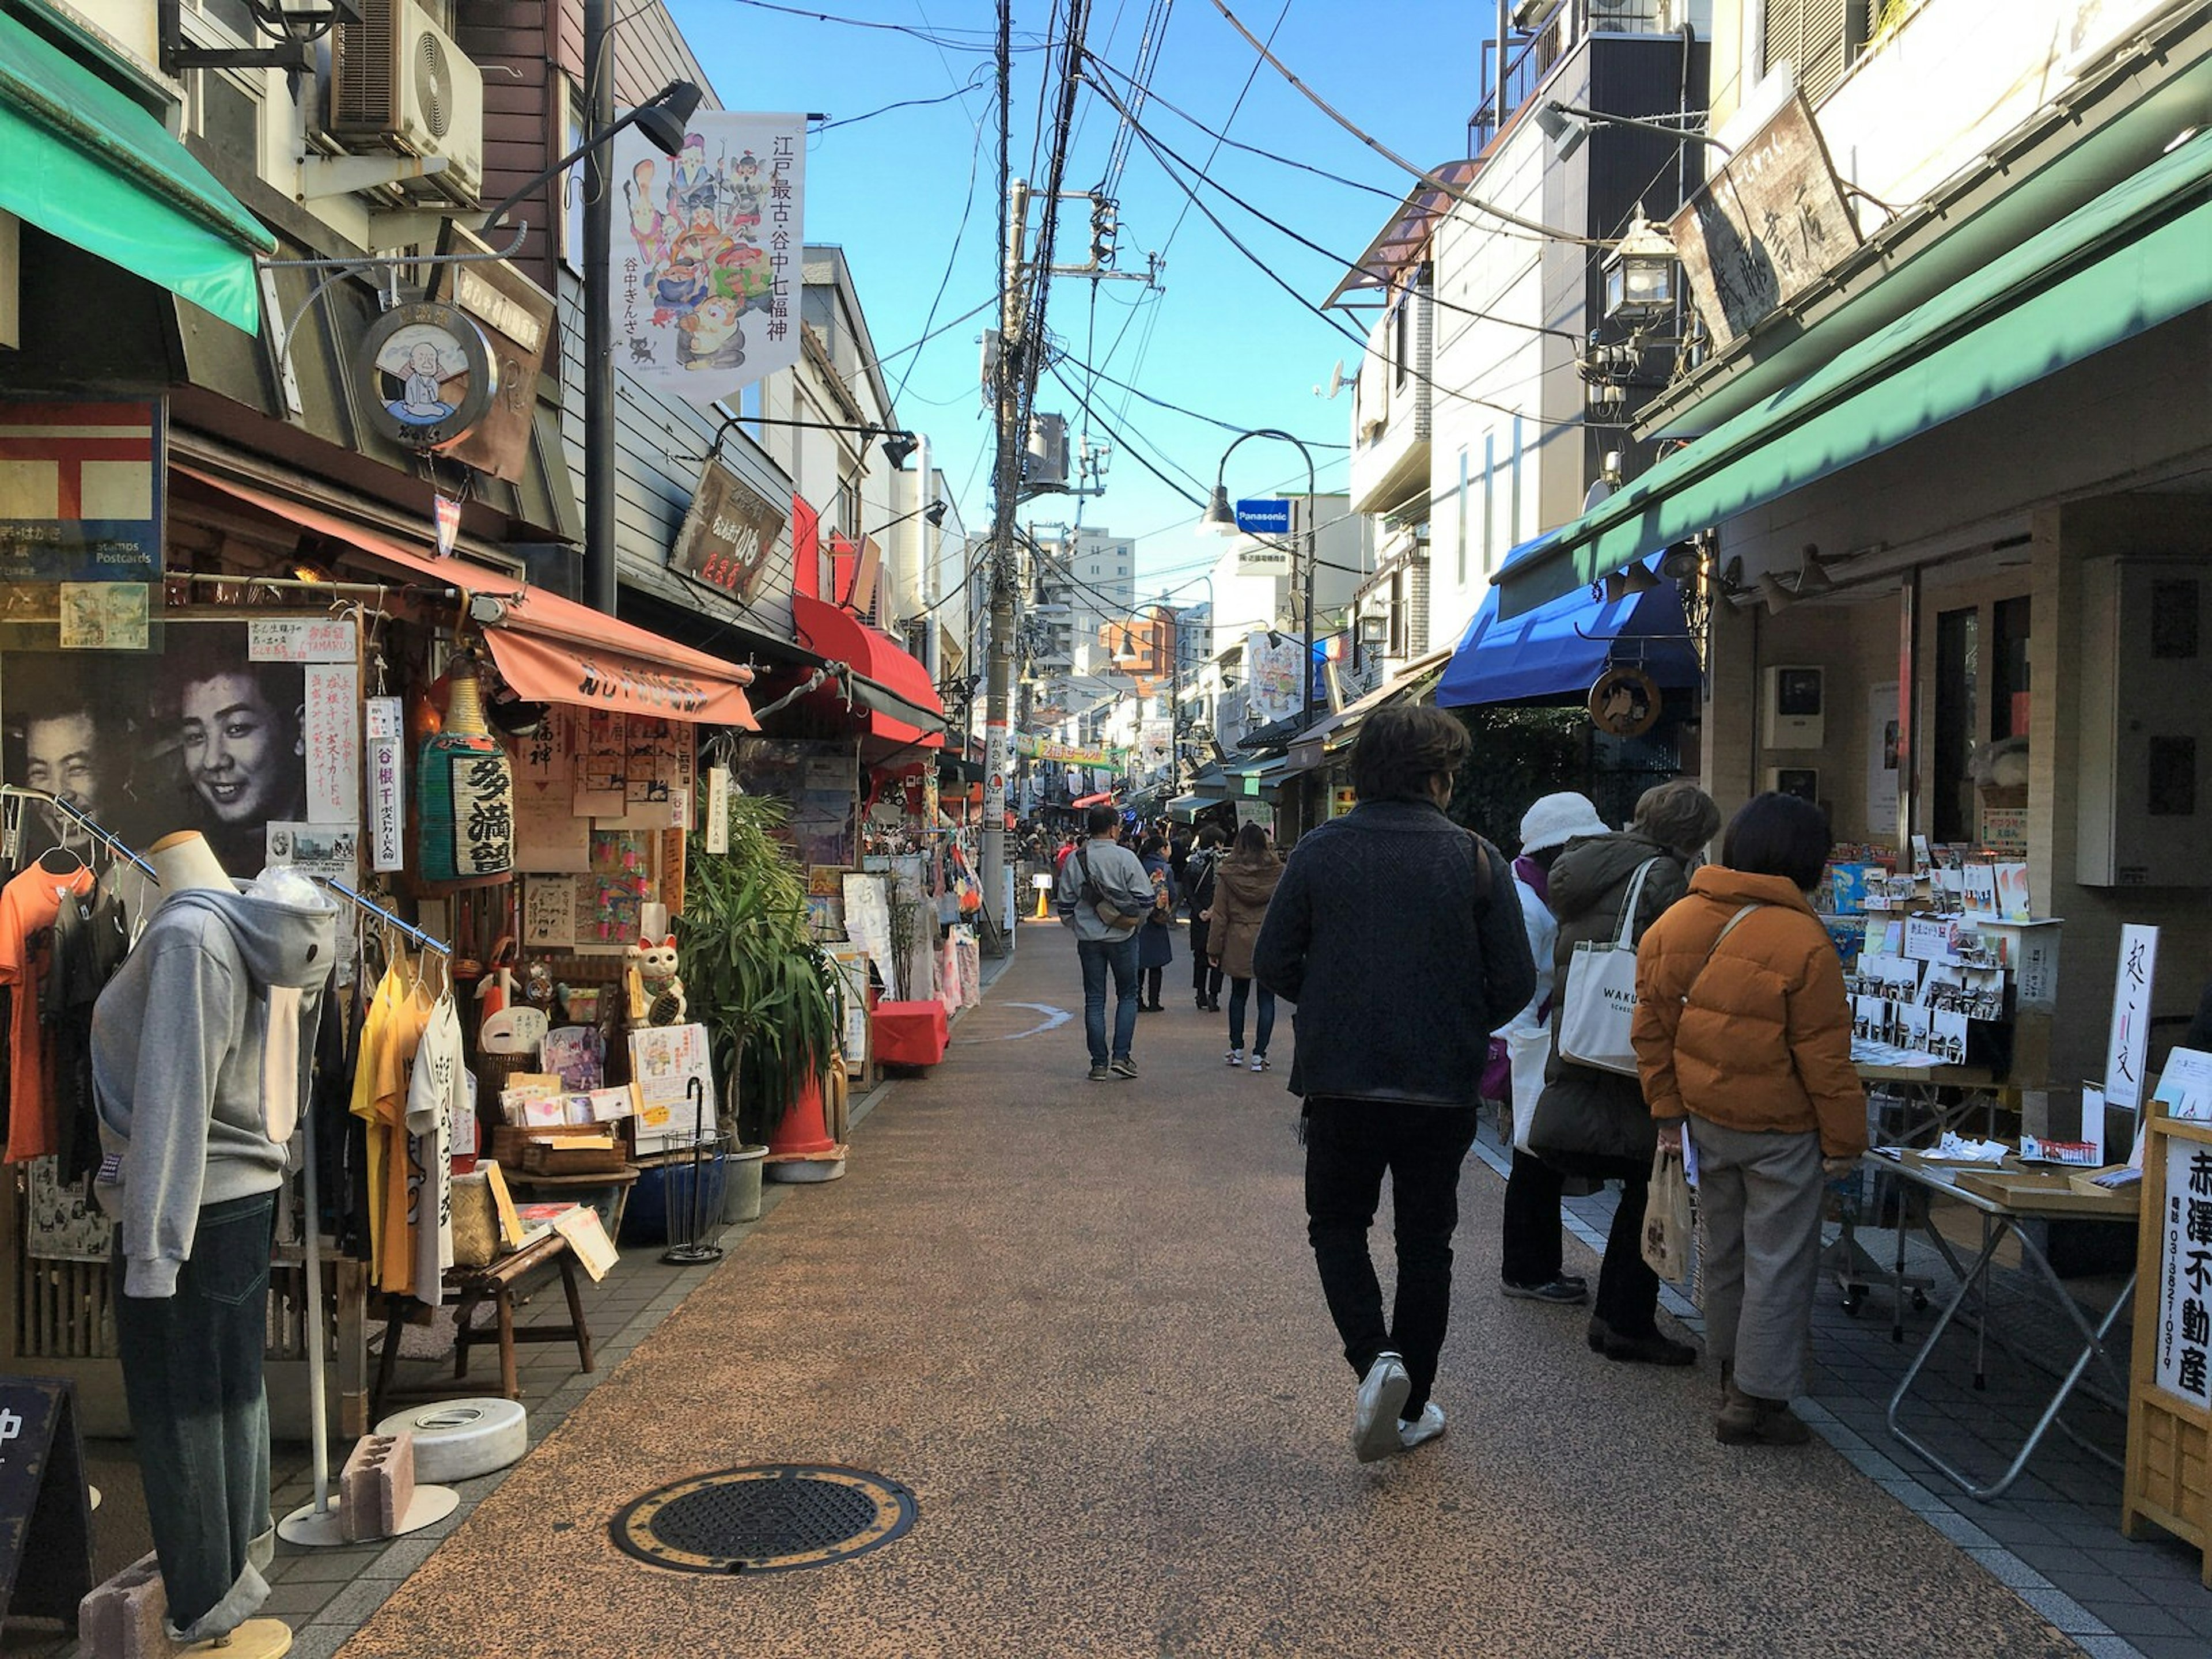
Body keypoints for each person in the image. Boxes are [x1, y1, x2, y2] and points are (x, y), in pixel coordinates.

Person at [1254, 705, 1534, 1461]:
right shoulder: (1474, 855)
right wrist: (1451, 1015)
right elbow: (1515, 981)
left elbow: (1274, 962)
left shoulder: (1320, 850)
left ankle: (1374, 1362)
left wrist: (1340, 997)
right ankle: (1410, 1405)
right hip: (1439, 1086)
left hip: (1341, 1079)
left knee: (1338, 1224)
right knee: (1427, 1241)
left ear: (1364, 772)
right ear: (1439, 773)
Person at [1633, 793, 1866, 1445]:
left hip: (1705, 1120)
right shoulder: (1805, 941)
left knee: (1726, 1255)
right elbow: (1825, 1057)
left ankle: (1731, 1368)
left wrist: (1668, 1112)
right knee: (1780, 1262)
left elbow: (1650, 1032)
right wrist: (1846, 1140)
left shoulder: (1675, 923)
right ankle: (1755, 1397)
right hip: (1781, 1131)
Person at [1531, 778, 1720, 1366]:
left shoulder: (1588, 863)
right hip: (1632, 1055)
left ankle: (1615, 1317)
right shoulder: (1661, 876)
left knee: (1640, 1188)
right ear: (1690, 837)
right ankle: (1627, 1322)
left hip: (1589, 1046)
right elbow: (1673, 967)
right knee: (1651, 1185)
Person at [1497, 791, 1611, 1304]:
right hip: (1529, 1043)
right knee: (1533, 1162)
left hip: (1542, 1040)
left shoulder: (1540, 889)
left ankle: (1537, 1267)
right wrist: (1521, 1054)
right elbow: (1518, 984)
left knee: (1538, 1161)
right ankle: (1527, 1270)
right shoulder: (1525, 901)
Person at [170, 650, 307, 874]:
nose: (213, 761)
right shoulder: (176, 861)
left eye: (236, 729)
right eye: (195, 736)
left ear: (298, 730)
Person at [1054, 804, 1154, 1081]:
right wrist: (1134, 924)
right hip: (1123, 937)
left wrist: (1079, 925)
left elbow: (1065, 906)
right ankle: (1121, 1056)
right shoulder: (1126, 857)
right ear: (1113, 828)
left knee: (1095, 1000)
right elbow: (1146, 900)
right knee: (1128, 995)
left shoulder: (1076, 859)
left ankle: (1099, 1063)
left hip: (1089, 940)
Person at [1208, 823, 1285, 1072]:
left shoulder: (1228, 874)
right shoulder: (1278, 873)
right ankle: (1260, 1055)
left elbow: (1220, 915)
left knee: (1238, 996)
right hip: (1268, 938)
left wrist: (1214, 949)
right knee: (1266, 998)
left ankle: (1237, 1049)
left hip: (1237, 938)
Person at [1184, 823, 1228, 1012]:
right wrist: (1212, 910)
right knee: (1217, 956)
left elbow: (1188, 891)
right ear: (1217, 843)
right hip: (1217, 916)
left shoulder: (1193, 863)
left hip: (1198, 916)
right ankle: (1213, 996)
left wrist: (1199, 910)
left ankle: (1200, 993)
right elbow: (1224, 890)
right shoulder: (1221, 864)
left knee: (1200, 957)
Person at [1135, 834, 1178, 1012]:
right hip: (1158, 920)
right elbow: (1173, 894)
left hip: (1138, 919)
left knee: (1139, 962)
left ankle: (1137, 999)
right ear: (1162, 849)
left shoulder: (1138, 864)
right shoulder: (1165, 869)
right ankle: (1154, 1001)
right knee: (1156, 964)